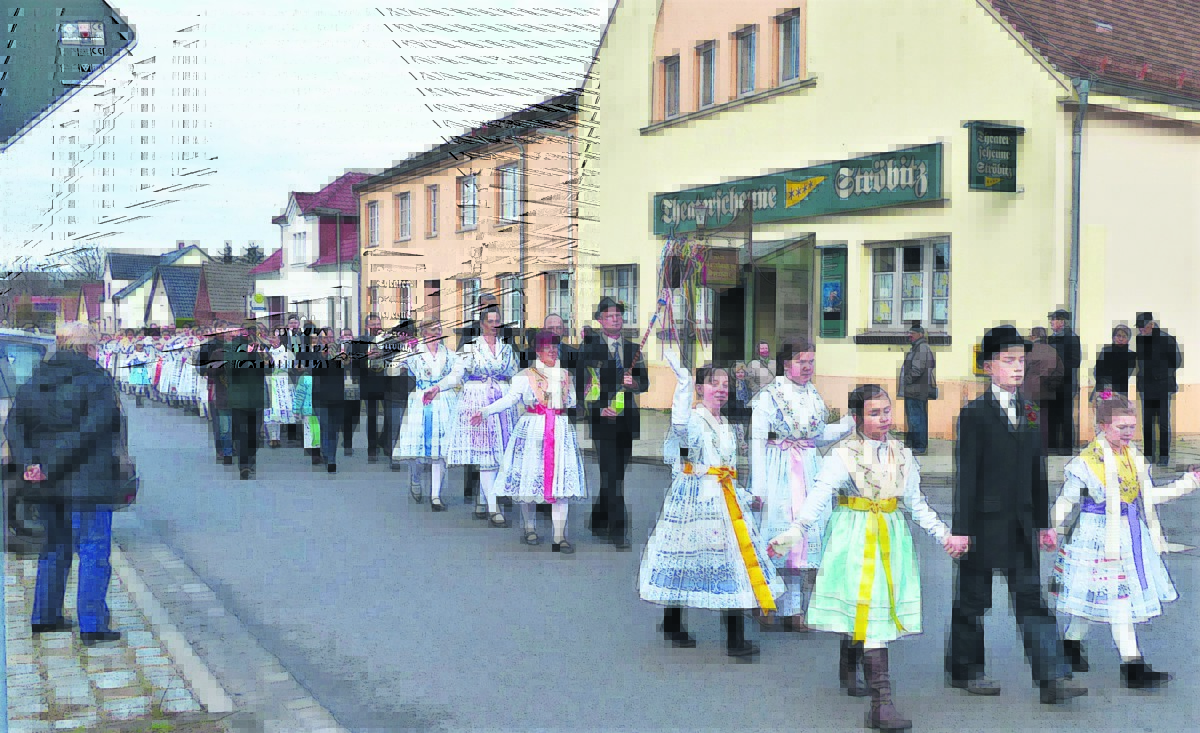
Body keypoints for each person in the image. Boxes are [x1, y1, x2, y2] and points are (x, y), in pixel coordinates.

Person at [770, 385, 955, 731]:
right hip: (852, 538)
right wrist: (795, 531)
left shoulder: (902, 455)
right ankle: (881, 703)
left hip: (890, 539)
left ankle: (849, 662)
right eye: (874, 413)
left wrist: (944, 536)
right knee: (870, 614)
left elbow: (915, 504)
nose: (884, 419)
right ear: (856, 418)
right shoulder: (842, 456)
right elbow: (819, 496)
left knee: (872, 609)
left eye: (886, 411)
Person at [946, 325, 1087, 704]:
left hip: (1022, 523)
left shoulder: (1029, 409)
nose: (1017, 368)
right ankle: (966, 670)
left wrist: (1042, 523)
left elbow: (1036, 471)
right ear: (988, 366)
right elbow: (967, 477)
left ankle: (1052, 679)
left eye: (1021, 361)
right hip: (983, 523)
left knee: (1031, 601)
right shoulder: (974, 414)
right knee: (973, 602)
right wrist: (961, 531)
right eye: (1008, 361)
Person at [639, 349, 784, 657]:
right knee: (686, 559)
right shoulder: (693, 420)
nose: (721, 389)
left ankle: (734, 636)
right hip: (695, 498)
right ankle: (672, 621)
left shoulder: (727, 425)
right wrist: (681, 384)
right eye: (714, 383)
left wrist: (746, 494)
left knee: (733, 561)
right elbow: (679, 430)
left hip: (725, 498)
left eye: (725, 384)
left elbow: (727, 467)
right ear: (700, 389)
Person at [1050, 394, 1200, 689]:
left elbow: (1148, 497)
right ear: (1103, 426)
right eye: (1121, 427)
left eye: (1132, 426)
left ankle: (1069, 646)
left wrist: (1189, 482)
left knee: (1097, 595)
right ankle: (1132, 665)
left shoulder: (1133, 456)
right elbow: (1066, 500)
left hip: (1129, 533)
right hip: (1099, 536)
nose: (1128, 433)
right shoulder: (1086, 463)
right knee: (1118, 599)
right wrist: (1050, 528)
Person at [7, 322, 128, 646]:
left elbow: (14, 426)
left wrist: (32, 464)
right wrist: (49, 464)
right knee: (92, 549)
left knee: (54, 546)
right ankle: (91, 624)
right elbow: (93, 430)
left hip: (47, 483)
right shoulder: (97, 381)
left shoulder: (37, 378)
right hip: (87, 480)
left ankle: (45, 616)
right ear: (89, 348)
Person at [750, 339, 855, 632]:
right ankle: (766, 600)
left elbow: (817, 436)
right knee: (777, 533)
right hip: (778, 469)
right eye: (801, 361)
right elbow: (758, 442)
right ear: (786, 364)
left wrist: (848, 423)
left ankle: (794, 608)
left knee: (801, 538)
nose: (807, 367)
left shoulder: (812, 395)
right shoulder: (769, 397)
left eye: (811, 361)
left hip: (807, 468)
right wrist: (758, 488)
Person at [474, 330, 586, 551]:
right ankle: (529, 526)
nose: (552, 351)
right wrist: (486, 411)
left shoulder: (564, 374)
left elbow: (571, 402)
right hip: (534, 427)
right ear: (538, 351)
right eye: (547, 348)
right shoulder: (526, 376)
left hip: (559, 429)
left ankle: (559, 535)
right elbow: (511, 399)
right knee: (530, 477)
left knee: (560, 481)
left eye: (555, 347)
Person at [580, 296, 649, 550]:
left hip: (627, 420)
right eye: (610, 316)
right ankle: (619, 529)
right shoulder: (590, 350)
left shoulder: (633, 349)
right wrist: (599, 409)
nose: (615, 319)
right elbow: (585, 386)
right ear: (600, 321)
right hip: (603, 421)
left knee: (616, 474)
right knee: (612, 475)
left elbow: (645, 383)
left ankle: (598, 519)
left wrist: (635, 384)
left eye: (619, 315)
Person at [448, 305, 518, 525]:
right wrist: (437, 388)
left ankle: (482, 498)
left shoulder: (507, 349)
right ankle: (493, 507)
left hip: (502, 403)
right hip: (476, 402)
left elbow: (517, 377)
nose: (495, 326)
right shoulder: (470, 348)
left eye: (498, 321)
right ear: (481, 324)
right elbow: (455, 376)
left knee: (498, 454)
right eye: (491, 321)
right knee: (486, 456)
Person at [392, 319, 462, 508]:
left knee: (441, 449)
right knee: (418, 447)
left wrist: (440, 387)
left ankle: (436, 495)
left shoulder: (449, 354)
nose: (437, 333)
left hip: (442, 401)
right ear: (424, 332)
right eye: (433, 329)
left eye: (439, 329)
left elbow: (457, 375)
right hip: (420, 401)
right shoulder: (415, 351)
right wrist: (405, 352)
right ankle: (415, 479)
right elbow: (391, 369)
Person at [1134, 313, 1181, 468]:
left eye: (1143, 327)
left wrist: (1160, 374)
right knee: (1147, 422)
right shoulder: (1140, 340)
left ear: (1151, 324)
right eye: (1139, 328)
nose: (1141, 330)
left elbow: (1176, 361)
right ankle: (1148, 455)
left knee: (1163, 423)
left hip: (1162, 385)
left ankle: (1163, 457)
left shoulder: (1166, 339)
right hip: (1146, 386)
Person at [226, 320, 270, 480]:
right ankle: (243, 465)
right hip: (238, 398)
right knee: (242, 434)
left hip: (256, 398)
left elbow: (269, 368)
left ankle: (250, 460)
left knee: (254, 435)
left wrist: (264, 354)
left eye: (252, 330)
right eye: (247, 330)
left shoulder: (260, 347)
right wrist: (248, 353)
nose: (249, 333)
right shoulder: (232, 346)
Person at [311, 328, 353, 473]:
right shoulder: (314, 352)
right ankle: (328, 455)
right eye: (325, 338)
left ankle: (331, 457)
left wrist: (346, 359)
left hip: (337, 395)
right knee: (326, 425)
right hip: (319, 396)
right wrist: (322, 357)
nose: (328, 340)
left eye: (330, 337)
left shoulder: (340, 351)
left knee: (333, 429)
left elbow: (348, 366)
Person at [1046, 309, 1082, 455]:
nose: (1051, 323)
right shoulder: (1051, 339)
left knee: (1066, 416)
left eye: (1053, 320)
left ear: (1062, 322)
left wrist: (1057, 368)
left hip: (1066, 384)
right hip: (1051, 384)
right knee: (1052, 415)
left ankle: (1067, 448)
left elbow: (1074, 361)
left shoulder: (1072, 338)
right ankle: (1052, 446)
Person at [1024, 326, 1064, 452]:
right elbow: (1060, 371)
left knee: (1030, 418)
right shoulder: (1053, 351)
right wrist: (1052, 385)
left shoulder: (1030, 350)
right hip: (1047, 392)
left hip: (1030, 391)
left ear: (1033, 337)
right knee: (1045, 420)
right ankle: (1044, 448)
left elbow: (1023, 369)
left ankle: (1031, 447)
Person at [196, 324, 233, 464]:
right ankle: (220, 448)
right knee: (219, 419)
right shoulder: (207, 347)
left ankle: (231, 446)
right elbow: (200, 367)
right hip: (216, 384)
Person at [899, 323, 936, 455]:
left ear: (920, 334)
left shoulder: (922, 348)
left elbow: (917, 369)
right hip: (915, 390)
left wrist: (906, 380)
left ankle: (919, 446)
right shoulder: (918, 347)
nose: (910, 336)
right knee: (915, 418)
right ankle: (913, 443)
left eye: (912, 333)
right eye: (909, 333)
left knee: (917, 419)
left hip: (916, 390)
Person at [264, 330, 296, 448]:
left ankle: (288, 433)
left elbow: (292, 367)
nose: (272, 340)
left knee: (282, 409)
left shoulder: (287, 353)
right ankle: (273, 437)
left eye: (275, 337)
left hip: (283, 383)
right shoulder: (265, 353)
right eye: (270, 337)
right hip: (269, 382)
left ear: (280, 339)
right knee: (271, 409)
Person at [1093, 324, 1136, 399]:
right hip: (1102, 389)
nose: (1121, 339)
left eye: (1124, 337)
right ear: (1113, 337)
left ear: (1128, 340)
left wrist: (1111, 389)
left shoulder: (1131, 356)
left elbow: (1124, 376)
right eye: (1118, 336)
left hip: (1119, 392)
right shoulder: (1105, 351)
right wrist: (1106, 386)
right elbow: (1097, 371)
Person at [339, 327, 363, 456]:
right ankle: (347, 442)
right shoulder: (337, 349)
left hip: (356, 386)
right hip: (342, 387)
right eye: (345, 335)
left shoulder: (357, 349)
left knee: (355, 416)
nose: (347, 337)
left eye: (349, 335)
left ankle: (348, 438)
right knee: (346, 416)